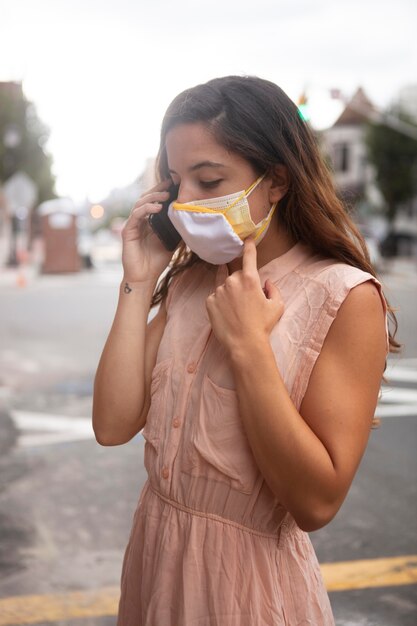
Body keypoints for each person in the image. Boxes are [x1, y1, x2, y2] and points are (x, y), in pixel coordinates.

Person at [92, 76, 398, 625]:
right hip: (155, 564)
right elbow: (112, 425)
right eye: (176, 182)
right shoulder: (191, 278)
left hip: (246, 593)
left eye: (209, 180)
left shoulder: (344, 297)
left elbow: (316, 502)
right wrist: (138, 284)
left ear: (276, 180)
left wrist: (248, 347)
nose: (186, 202)